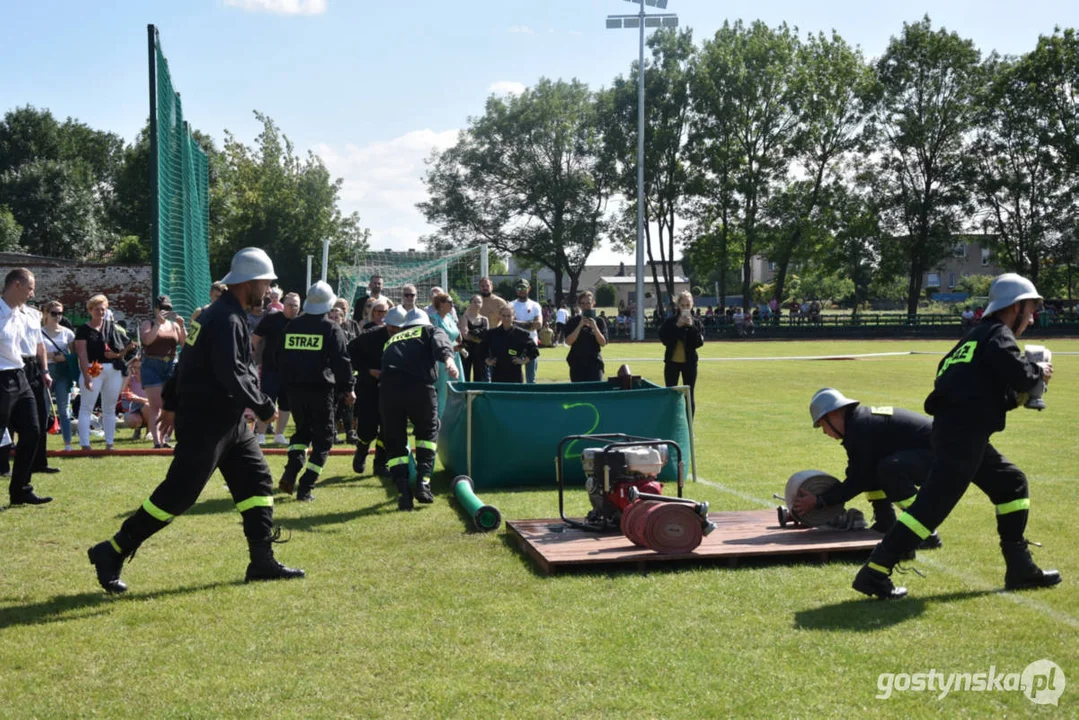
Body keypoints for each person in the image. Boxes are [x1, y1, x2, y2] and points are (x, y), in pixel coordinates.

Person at [87, 247, 304, 594]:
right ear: (249, 282)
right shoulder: (226, 319)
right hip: (207, 422)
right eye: (265, 284)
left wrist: (171, 401)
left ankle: (261, 560)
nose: (267, 292)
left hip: (229, 422)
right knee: (178, 494)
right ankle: (111, 551)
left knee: (257, 482)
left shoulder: (218, 315)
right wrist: (264, 406)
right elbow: (232, 372)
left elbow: (187, 361)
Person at [852, 273, 1060, 600]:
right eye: (1031, 310)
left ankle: (1019, 566)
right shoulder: (999, 335)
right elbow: (1020, 377)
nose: (1032, 319)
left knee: (1011, 483)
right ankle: (875, 572)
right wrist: (1039, 373)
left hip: (956, 432)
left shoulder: (971, 340)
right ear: (1016, 307)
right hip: (964, 437)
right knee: (930, 509)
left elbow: (971, 392)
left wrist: (1011, 397)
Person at [795, 388, 940, 546]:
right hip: (934, 450)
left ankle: (925, 531)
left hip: (942, 454)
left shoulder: (860, 429)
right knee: (874, 469)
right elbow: (860, 474)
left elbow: (856, 481)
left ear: (833, 415)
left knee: (890, 469)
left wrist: (820, 501)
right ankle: (885, 521)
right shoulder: (858, 424)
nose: (824, 432)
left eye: (822, 425)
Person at [277, 281, 355, 502]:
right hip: (321, 392)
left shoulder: (292, 326)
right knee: (323, 440)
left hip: (295, 391)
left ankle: (291, 472)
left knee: (302, 432)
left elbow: (280, 358)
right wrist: (348, 388)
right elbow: (342, 362)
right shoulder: (331, 328)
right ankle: (305, 487)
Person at [379, 306, 458, 510]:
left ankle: (403, 492)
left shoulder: (392, 339)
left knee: (395, 442)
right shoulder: (430, 330)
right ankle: (423, 483)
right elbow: (442, 345)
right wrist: (449, 361)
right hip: (419, 389)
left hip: (389, 391)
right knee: (427, 434)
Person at [0, 269, 51, 505]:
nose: (32, 293)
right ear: (17, 285)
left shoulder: (23, 314)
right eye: (30, 288)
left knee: (33, 431)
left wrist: (42, 370)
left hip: (19, 376)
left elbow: (33, 344)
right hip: (0, 378)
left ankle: (20, 489)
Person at [75, 295, 135, 451]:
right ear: (90, 310)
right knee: (87, 406)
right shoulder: (83, 330)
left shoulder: (112, 328)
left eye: (103, 309)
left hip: (112, 369)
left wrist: (116, 355)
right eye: (97, 309)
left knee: (109, 408)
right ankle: (85, 444)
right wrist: (87, 376)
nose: (100, 312)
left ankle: (110, 443)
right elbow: (82, 355)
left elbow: (126, 348)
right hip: (93, 367)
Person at [348, 298, 390, 476]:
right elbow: (350, 354)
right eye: (378, 312)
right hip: (369, 387)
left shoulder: (400, 335)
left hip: (390, 388)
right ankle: (361, 452)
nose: (381, 316)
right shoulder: (367, 335)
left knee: (388, 428)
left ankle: (380, 464)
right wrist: (368, 370)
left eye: (385, 312)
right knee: (367, 427)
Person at [252, 292, 299, 445]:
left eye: (295, 305)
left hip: (291, 370)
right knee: (266, 401)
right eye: (289, 305)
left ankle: (279, 434)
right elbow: (255, 338)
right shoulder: (271, 319)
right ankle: (261, 435)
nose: (292, 308)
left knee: (286, 403)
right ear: (283, 305)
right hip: (271, 368)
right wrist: (249, 356)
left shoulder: (301, 322)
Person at [139, 295, 186, 449]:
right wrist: (158, 324)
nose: (166, 311)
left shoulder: (174, 326)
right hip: (151, 365)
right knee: (156, 405)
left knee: (169, 404)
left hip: (171, 364)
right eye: (163, 308)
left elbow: (185, 345)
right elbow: (147, 341)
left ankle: (165, 438)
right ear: (156, 309)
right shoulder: (149, 323)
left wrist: (182, 326)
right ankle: (157, 441)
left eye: (168, 308)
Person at [658, 290, 705, 415]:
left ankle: (689, 429)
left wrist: (692, 327)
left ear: (692, 306)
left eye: (688, 305)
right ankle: (671, 425)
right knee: (670, 394)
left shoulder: (697, 322)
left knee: (689, 395)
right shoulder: (670, 322)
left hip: (689, 363)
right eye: (683, 305)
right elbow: (664, 339)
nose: (685, 308)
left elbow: (698, 343)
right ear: (678, 306)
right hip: (672, 363)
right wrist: (677, 327)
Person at [42, 300, 76, 452]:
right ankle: (40, 445)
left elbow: (74, 355)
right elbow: (35, 352)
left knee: (64, 409)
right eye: (54, 313)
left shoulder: (67, 333)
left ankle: (68, 444)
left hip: (62, 371)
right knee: (44, 408)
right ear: (46, 314)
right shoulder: (39, 331)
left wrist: (64, 357)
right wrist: (50, 354)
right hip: (45, 370)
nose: (57, 317)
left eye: (60, 313)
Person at [485, 306, 539, 384]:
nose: (506, 318)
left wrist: (524, 361)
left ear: (513, 316)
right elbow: (481, 349)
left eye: (509, 316)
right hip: (497, 375)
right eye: (503, 315)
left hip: (515, 376)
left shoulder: (521, 334)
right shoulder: (492, 333)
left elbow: (534, 350)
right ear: (499, 316)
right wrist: (487, 360)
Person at [431, 292, 464, 415]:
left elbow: (455, 336)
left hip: (455, 357)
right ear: (440, 304)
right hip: (442, 360)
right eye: (449, 302)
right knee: (443, 390)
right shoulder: (434, 319)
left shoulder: (450, 317)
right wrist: (451, 347)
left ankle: (457, 415)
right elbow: (435, 340)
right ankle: (440, 418)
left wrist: (459, 345)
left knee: (458, 386)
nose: (452, 304)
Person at [563, 291, 608, 382]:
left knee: (595, 391)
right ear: (579, 305)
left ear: (593, 303)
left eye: (588, 303)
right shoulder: (573, 321)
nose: (585, 306)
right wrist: (580, 326)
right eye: (582, 303)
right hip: (577, 363)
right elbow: (568, 342)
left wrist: (594, 327)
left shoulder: (599, 321)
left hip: (595, 363)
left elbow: (603, 343)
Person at [474, 277, 507, 382]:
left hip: (497, 339)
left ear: (492, 287)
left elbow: (507, 318)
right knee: (481, 369)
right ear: (479, 287)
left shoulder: (500, 302)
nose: (485, 288)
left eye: (487, 286)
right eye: (482, 286)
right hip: (479, 340)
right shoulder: (476, 301)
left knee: (496, 366)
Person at [511, 279, 543, 383]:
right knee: (515, 377)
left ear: (528, 289)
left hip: (531, 345)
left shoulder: (535, 305)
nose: (521, 290)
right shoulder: (511, 305)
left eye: (524, 288)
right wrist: (528, 323)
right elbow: (507, 323)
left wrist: (516, 322)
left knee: (531, 379)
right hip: (515, 344)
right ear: (516, 290)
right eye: (519, 288)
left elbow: (538, 324)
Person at [458, 295, 489, 382]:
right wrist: (478, 339)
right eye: (474, 302)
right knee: (465, 373)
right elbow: (465, 335)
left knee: (480, 375)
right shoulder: (465, 317)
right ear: (470, 303)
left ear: (482, 304)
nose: (476, 304)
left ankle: (477, 394)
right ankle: (465, 394)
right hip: (467, 350)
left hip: (480, 351)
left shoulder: (485, 319)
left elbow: (487, 336)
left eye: (479, 302)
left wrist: (478, 337)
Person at [121, 356, 152, 439]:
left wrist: (138, 399)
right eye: (134, 367)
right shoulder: (131, 380)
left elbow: (156, 401)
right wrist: (129, 375)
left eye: (140, 368)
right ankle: (137, 430)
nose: (137, 370)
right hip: (136, 409)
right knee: (131, 419)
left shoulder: (151, 380)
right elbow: (122, 392)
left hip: (151, 410)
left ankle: (149, 431)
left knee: (147, 406)